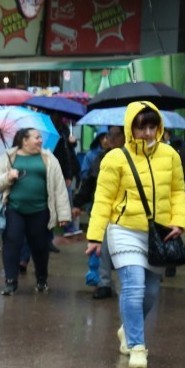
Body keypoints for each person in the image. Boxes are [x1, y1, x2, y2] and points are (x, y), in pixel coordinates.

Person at [86, 102, 185, 368]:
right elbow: (103, 199)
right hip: (124, 230)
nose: (148, 132)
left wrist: (179, 222)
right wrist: (95, 236)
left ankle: (128, 329)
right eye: (141, 127)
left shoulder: (170, 155)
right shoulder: (114, 158)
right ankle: (137, 346)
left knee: (151, 293)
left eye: (153, 126)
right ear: (130, 128)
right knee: (134, 287)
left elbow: (177, 192)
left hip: (158, 233)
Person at [0, 128, 71, 296]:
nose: (40, 140)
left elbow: (59, 187)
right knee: (12, 244)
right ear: (24, 140)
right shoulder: (8, 157)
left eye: (40, 137)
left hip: (40, 211)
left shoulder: (49, 158)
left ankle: (41, 279)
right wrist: (8, 177)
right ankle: (10, 282)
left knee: (40, 246)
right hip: (14, 210)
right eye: (36, 138)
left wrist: (63, 214)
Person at [75, 127, 124, 298]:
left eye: (116, 135)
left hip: (126, 212)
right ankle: (104, 283)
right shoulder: (101, 158)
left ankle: (128, 286)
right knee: (101, 248)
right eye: (108, 135)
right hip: (102, 209)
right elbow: (89, 182)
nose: (109, 139)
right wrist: (78, 203)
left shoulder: (134, 158)